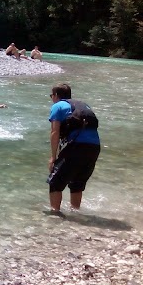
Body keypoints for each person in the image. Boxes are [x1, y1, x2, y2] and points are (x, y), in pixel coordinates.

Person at [47, 83, 100, 213]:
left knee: (55, 182)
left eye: (51, 95)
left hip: (77, 146)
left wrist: (53, 157)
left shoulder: (57, 106)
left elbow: (55, 132)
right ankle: (76, 213)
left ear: (56, 95)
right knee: (77, 184)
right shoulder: (83, 105)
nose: (51, 98)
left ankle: (55, 214)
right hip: (94, 147)